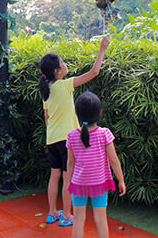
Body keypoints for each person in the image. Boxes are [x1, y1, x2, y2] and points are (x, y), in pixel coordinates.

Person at [38, 37, 110, 227]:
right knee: (68, 176)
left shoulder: (47, 91)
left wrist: (53, 132)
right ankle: (67, 215)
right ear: (57, 71)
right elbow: (94, 72)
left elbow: (47, 118)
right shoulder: (64, 85)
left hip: (51, 138)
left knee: (54, 176)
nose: (65, 64)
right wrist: (102, 49)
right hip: (67, 139)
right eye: (62, 63)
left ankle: (52, 212)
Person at [66, 91, 126, 238]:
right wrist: (121, 180)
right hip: (99, 184)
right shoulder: (104, 134)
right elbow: (114, 160)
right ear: (100, 113)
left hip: (78, 184)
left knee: (78, 220)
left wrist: (68, 182)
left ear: (77, 113)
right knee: (100, 219)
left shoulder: (72, 135)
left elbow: (70, 163)